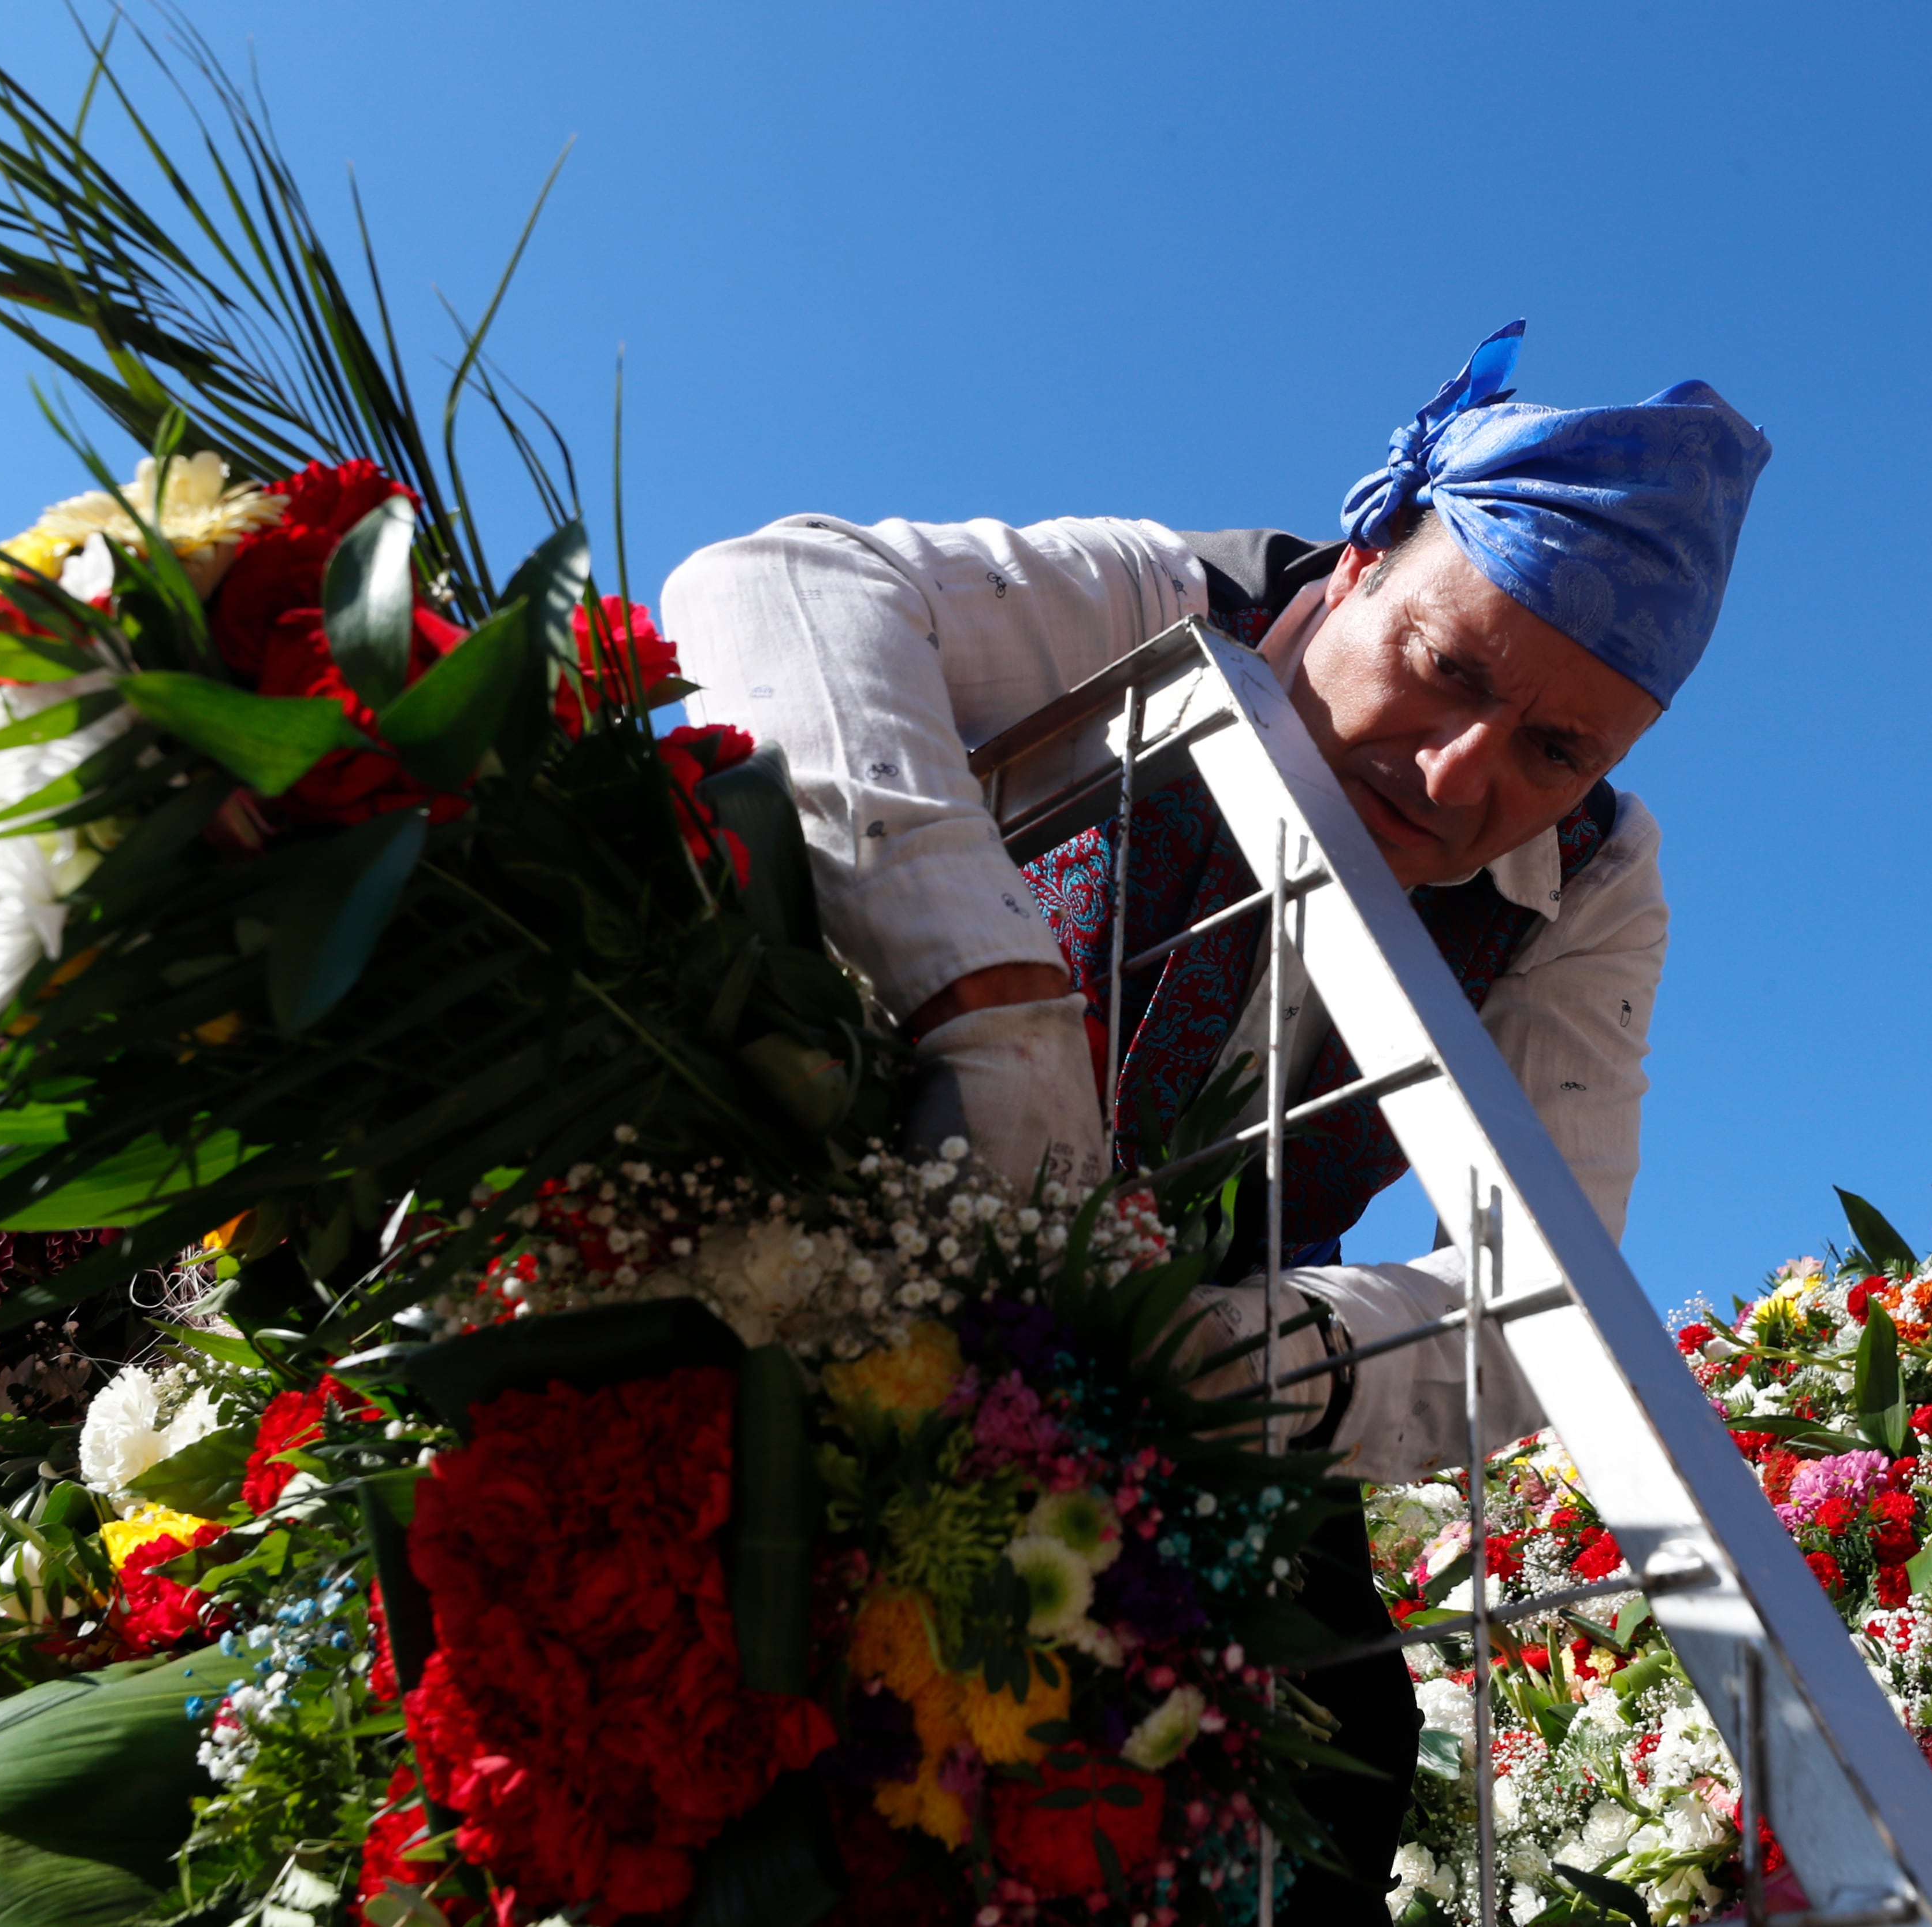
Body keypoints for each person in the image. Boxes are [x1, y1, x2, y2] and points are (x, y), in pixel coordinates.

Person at [662, 321, 1768, 1919]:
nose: (1461, 777)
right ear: (1368, 550)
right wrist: (993, 1011)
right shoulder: (1173, 597)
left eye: (1555, 749)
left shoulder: (1595, 883)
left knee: (1333, 1745)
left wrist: (1241, 1363)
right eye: (1449, 667)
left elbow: (1547, 1296)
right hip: (864, 1161)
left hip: (1225, 1313)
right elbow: (772, 585)